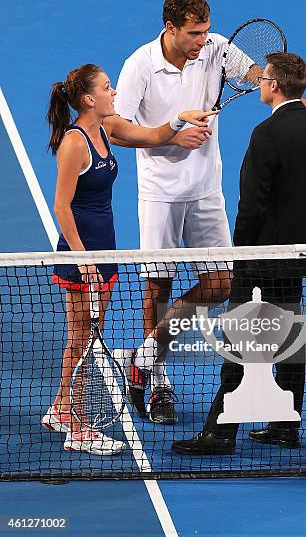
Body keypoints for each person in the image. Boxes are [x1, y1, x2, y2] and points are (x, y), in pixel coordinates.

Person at [112, 0, 306, 425]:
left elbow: (258, 73)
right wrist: (170, 134)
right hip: (160, 192)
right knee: (158, 286)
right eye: (194, 33)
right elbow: (116, 127)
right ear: (170, 28)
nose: (202, 41)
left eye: (206, 31)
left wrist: (296, 102)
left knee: (221, 283)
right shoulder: (140, 65)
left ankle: (144, 353)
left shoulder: (214, 49)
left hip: (207, 190)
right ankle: (157, 380)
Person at [40, 63, 215, 456]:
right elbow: (61, 207)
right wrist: (84, 260)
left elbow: (152, 135)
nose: (114, 91)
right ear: (89, 99)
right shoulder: (75, 142)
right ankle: (78, 426)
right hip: (82, 255)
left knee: (83, 338)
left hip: (105, 251)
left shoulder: (108, 128)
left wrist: (178, 119)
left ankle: (61, 407)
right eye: (106, 87)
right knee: (83, 340)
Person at [171, 52, 306, 455]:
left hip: (262, 257)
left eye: (263, 77)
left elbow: (252, 205)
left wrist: (242, 254)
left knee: (239, 339)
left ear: (274, 86)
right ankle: (285, 426)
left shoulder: (266, 134)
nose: (259, 82)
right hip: (304, 254)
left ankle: (219, 433)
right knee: (289, 337)